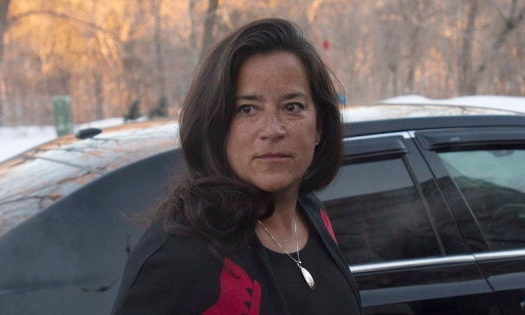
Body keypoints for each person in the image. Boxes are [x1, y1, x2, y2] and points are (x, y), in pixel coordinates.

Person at [111, 18, 361, 315]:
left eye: (292, 106)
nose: (272, 129)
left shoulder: (310, 213)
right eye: (247, 109)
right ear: (216, 127)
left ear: (319, 126)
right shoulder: (179, 259)